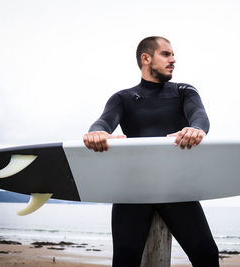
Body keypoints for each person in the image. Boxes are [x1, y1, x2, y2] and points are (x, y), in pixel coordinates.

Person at [83, 36, 219, 267]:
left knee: (206, 253)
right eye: (166, 54)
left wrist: (196, 129)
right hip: (133, 189)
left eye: (173, 54)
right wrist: (97, 133)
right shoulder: (122, 98)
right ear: (146, 58)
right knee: (125, 259)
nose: (173, 60)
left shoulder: (184, 91)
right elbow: (103, 122)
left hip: (175, 188)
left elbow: (199, 116)